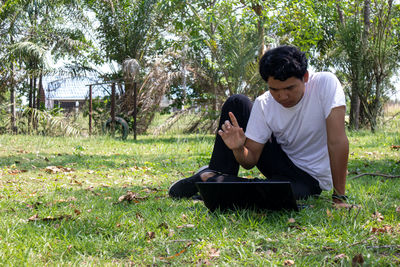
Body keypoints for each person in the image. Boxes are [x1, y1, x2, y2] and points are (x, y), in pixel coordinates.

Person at [169, 45, 350, 207]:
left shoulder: (325, 84)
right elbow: (250, 160)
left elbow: (337, 141)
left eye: (289, 88)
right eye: (275, 90)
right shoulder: (264, 103)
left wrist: (339, 197)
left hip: (309, 178)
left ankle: (211, 180)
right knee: (237, 102)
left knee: (281, 195)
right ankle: (218, 176)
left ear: (305, 77)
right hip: (279, 163)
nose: (282, 96)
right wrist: (239, 148)